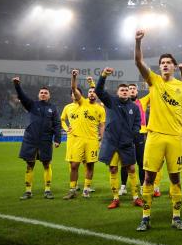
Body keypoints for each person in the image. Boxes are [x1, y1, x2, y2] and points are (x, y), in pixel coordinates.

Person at [134, 30, 182, 231]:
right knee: (148, 178)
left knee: (175, 177)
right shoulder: (153, 80)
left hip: (175, 138)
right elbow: (138, 62)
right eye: (162, 63)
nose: (165, 65)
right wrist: (138, 42)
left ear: (174, 66)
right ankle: (145, 217)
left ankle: (176, 217)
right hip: (154, 136)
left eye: (168, 62)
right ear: (159, 67)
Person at [95, 68, 143, 209]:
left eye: (126, 90)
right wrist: (103, 76)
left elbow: (137, 124)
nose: (124, 91)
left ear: (129, 93)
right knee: (113, 169)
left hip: (126, 143)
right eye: (121, 90)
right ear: (117, 93)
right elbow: (98, 91)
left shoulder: (134, 107)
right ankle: (116, 198)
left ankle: (135, 197)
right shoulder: (111, 101)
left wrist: (131, 135)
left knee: (132, 169)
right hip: (111, 143)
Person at [13, 77, 61, 200]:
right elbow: (22, 97)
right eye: (41, 93)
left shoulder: (53, 108)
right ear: (38, 95)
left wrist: (57, 139)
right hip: (31, 139)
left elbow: (57, 124)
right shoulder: (32, 105)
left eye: (45, 93)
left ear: (49, 96)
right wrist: (17, 85)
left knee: (46, 164)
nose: (43, 94)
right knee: (29, 165)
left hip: (45, 140)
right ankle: (28, 191)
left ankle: (48, 190)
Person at [62, 70, 105, 200]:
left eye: (94, 92)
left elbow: (102, 125)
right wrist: (74, 76)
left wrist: (101, 138)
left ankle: (86, 189)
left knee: (90, 165)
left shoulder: (100, 109)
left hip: (92, 140)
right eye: (90, 92)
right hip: (78, 140)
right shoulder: (82, 102)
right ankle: (72, 189)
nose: (92, 94)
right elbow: (74, 89)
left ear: (97, 95)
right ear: (87, 95)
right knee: (74, 165)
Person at [118, 84, 147, 196]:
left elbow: (154, 91)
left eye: (134, 88)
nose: (132, 90)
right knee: (125, 162)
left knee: (141, 162)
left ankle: (142, 186)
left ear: (137, 91)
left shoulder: (143, 101)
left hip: (140, 134)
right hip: (126, 135)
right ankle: (123, 186)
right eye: (130, 89)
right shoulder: (122, 104)